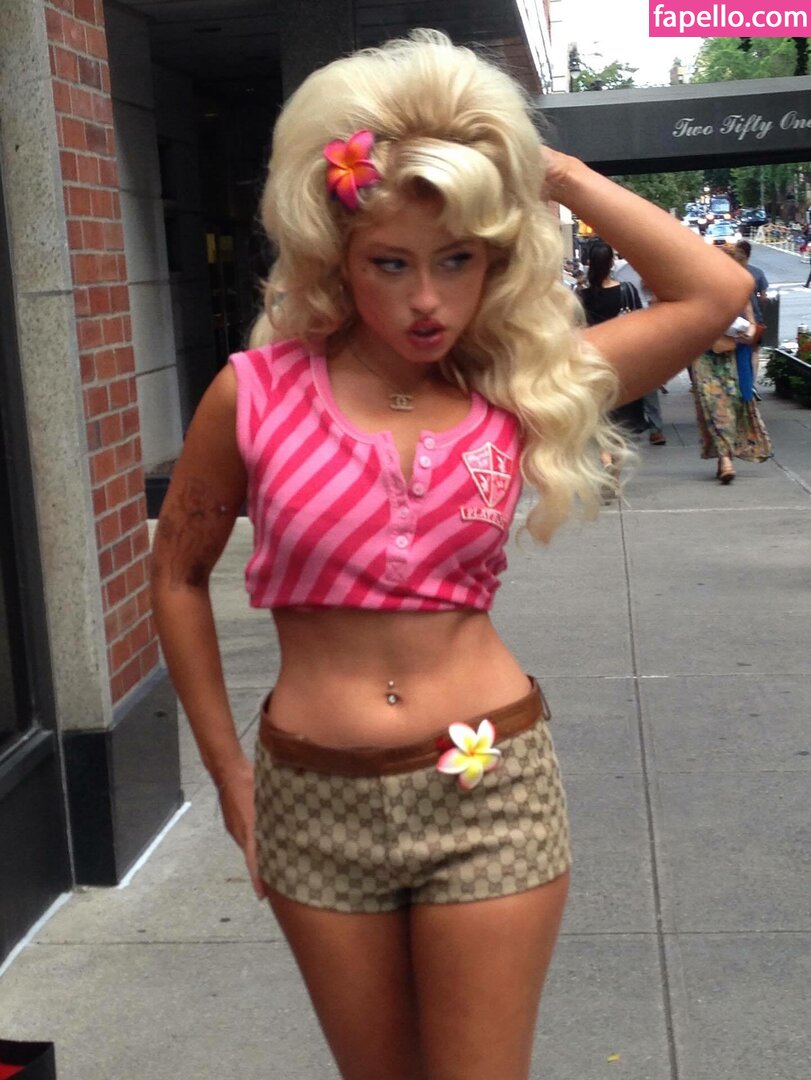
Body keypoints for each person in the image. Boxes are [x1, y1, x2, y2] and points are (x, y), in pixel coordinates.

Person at [150, 31, 751, 1080]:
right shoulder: (252, 394)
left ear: (495, 257)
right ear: (339, 257)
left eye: (456, 260)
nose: (426, 300)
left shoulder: (517, 390)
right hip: (312, 796)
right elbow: (176, 576)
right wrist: (230, 778)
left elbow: (713, 292)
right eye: (391, 263)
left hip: (490, 784)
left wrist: (544, 168)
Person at [692, 246, 772, 485]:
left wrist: (749, 332)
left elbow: (751, 320)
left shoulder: (740, 291)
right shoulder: (699, 289)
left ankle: (724, 458)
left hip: (732, 354)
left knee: (729, 405)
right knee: (712, 405)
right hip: (704, 354)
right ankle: (725, 459)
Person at [577, 242, 649, 486]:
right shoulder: (627, 291)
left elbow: (578, 331)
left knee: (600, 417)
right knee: (621, 419)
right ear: (611, 263)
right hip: (624, 362)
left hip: (595, 362)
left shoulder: (583, 296)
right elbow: (641, 325)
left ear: (589, 263)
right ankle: (614, 472)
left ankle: (606, 460)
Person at [734, 239, 768, 396]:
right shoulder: (757, 272)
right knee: (754, 352)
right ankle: (751, 384)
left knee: (735, 353)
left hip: (733, 322)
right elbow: (763, 297)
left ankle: (742, 386)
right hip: (753, 318)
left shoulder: (727, 273)